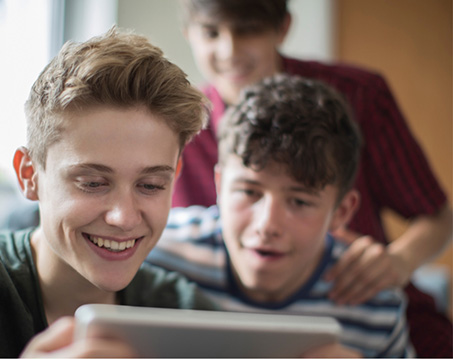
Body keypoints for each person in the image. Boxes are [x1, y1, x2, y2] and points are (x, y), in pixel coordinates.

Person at [172, 0, 453, 356]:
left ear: (283, 28)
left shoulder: (361, 97)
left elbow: (437, 215)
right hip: (230, 307)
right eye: (211, 32)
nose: (229, 50)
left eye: (249, 30)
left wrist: (397, 262)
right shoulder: (179, 124)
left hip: (354, 298)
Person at [148, 74, 415, 357]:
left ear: (341, 211)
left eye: (299, 201)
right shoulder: (154, 253)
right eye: (249, 192)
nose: (267, 225)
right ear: (219, 185)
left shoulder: (376, 306)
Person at [0, 27, 217, 358]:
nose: (124, 218)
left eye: (150, 186)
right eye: (92, 183)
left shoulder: (186, 317)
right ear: (30, 175)